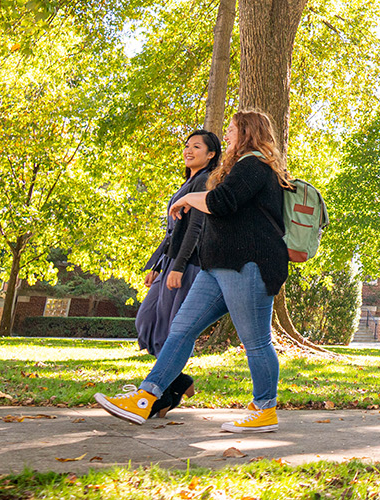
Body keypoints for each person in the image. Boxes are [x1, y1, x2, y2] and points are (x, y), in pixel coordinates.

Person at [98, 109, 294, 433]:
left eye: (231, 129)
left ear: (246, 132)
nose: (227, 134)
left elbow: (223, 202)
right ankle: (147, 397)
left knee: (256, 340)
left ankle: (265, 408)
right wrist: (192, 199)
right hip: (215, 268)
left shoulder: (255, 165)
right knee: (181, 329)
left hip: (248, 265)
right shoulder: (240, 167)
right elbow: (222, 203)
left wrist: (189, 197)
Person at [130, 130, 220, 418]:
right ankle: (179, 380)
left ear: (211, 154)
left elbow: (195, 229)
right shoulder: (190, 181)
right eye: (187, 146)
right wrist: (158, 266)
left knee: (172, 329)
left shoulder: (206, 181)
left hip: (188, 264)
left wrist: (179, 267)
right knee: (146, 320)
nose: (189, 150)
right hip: (170, 262)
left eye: (197, 146)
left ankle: (165, 392)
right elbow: (173, 231)